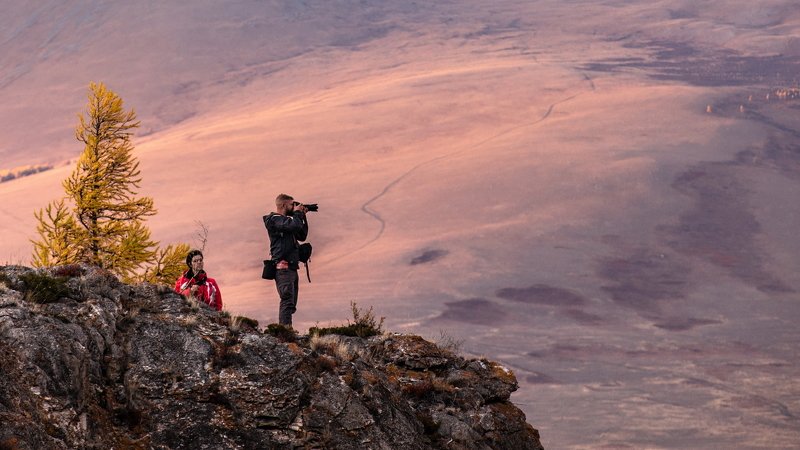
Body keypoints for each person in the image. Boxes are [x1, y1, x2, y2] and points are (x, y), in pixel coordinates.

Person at [263, 193, 309, 327]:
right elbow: (293, 225)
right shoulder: (274, 220)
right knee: (287, 299)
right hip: (282, 268)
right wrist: (297, 214)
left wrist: (302, 215)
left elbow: (302, 235)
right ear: (283, 205)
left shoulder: (288, 222)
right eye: (291, 204)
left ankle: (286, 329)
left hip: (292, 268)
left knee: (291, 303)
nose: (293, 207)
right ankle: (285, 331)